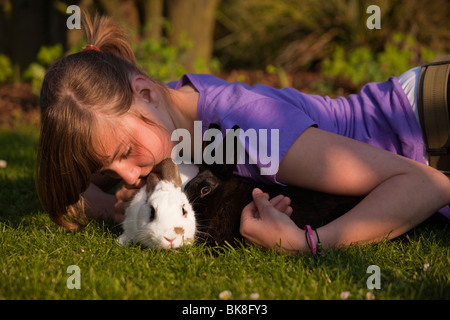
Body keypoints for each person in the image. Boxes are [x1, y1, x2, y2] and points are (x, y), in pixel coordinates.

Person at [35, 15, 450, 256]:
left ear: (144, 92)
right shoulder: (172, 112)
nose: (127, 177)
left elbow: (425, 183)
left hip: (430, 121)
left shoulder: (251, 130)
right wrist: (113, 204)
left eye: (125, 153)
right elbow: (76, 194)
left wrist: (308, 243)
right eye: (107, 167)